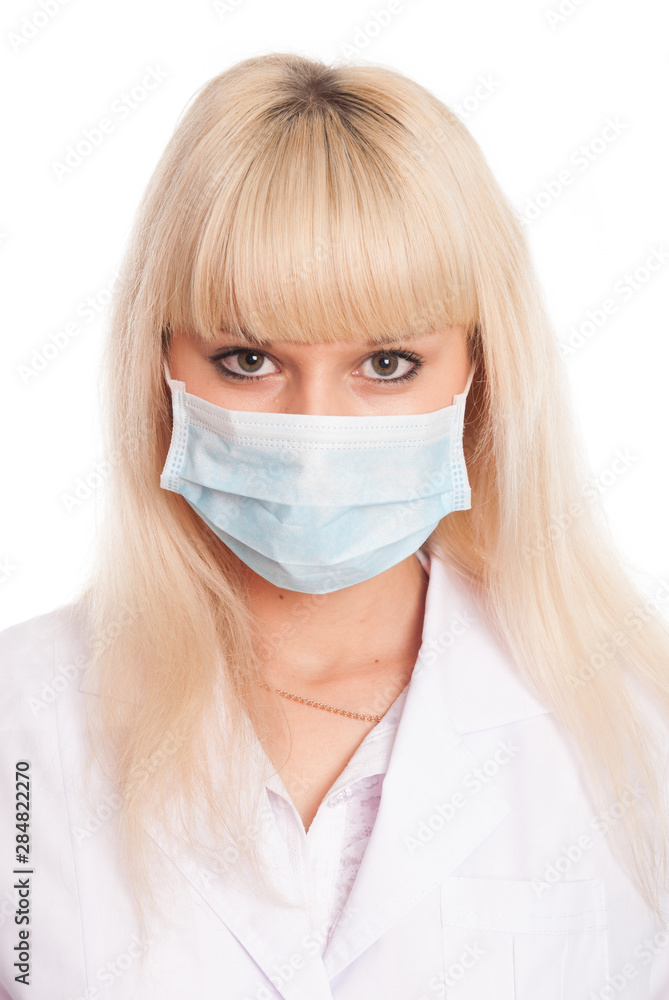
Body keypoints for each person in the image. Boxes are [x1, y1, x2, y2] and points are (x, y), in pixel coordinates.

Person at [1, 51, 668, 1000]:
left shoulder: (630, 727)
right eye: (247, 359)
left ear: (480, 374)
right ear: (161, 364)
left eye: (386, 364)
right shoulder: (23, 722)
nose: (315, 433)